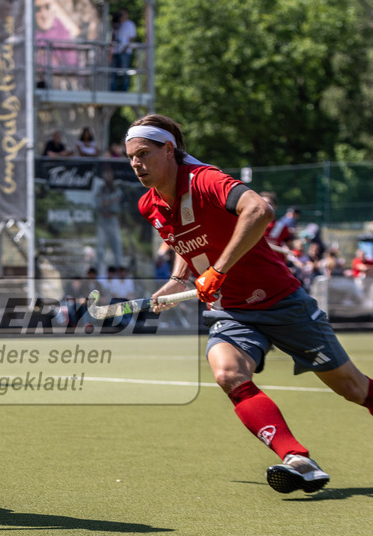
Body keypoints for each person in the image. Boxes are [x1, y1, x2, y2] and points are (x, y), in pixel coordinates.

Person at [128, 113, 373, 494]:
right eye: (131, 157)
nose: (136, 164)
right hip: (233, 310)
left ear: (169, 150)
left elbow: (259, 210)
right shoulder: (150, 205)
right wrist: (178, 280)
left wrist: (219, 271)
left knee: (353, 388)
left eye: (143, 153)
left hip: (282, 300)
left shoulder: (207, 180)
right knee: (227, 373)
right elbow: (186, 240)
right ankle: (297, 459)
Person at [95, 164, 124, 271]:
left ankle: (119, 273)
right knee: (100, 249)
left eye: (109, 174)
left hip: (113, 220)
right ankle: (98, 273)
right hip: (103, 221)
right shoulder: (101, 189)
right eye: (105, 174)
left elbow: (116, 202)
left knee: (117, 248)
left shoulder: (116, 188)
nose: (107, 176)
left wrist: (108, 201)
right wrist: (109, 201)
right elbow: (98, 203)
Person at [110, 8, 136, 91]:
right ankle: (113, 89)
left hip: (125, 52)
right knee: (113, 71)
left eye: (123, 14)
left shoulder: (130, 24)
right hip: (115, 51)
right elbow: (112, 37)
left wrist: (125, 49)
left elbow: (132, 38)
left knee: (125, 71)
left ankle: (125, 89)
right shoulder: (116, 25)